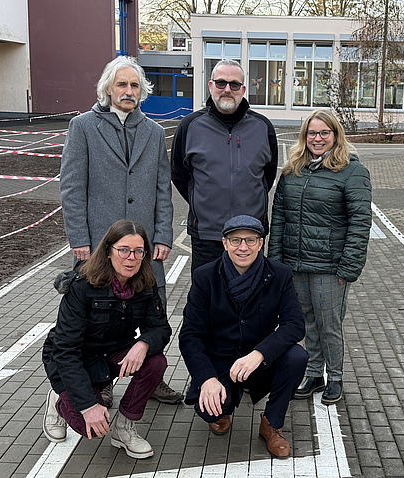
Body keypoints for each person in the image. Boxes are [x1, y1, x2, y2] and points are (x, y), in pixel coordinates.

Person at [60, 55, 181, 405]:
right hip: (100, 245)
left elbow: (162, 189)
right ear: (108, 89)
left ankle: (152, 378)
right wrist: (79, 240)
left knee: (154, 310)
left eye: (134, 85)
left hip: (144, 247)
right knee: (99, 318)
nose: (129, 91)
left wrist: (163, 235)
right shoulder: (83, 127)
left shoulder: (154, 132)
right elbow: (72, 188)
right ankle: (102, 379)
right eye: (122, 84)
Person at [267, 109, 372, 406]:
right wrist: (276, 261)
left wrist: (348, 267)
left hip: (330, 266)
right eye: (312, 133)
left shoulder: (352, 172)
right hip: (296, 263)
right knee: (306, 322)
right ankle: (314, 374)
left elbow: (360, 223)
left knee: (329, 325)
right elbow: (280, 218)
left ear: (336, 136)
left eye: (324, 132)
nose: (317, 138)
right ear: (304, 136)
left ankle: (335, 377)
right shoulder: (292, 171)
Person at [179, 215, 307, 458]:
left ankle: (271, 423)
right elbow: (190, 335)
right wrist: (206, 378)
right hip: (220, 361)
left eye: (250, 240)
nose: (243, 247)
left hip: (258, 362)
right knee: (210, 412)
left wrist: (260, 353)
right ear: (225, 243)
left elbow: (295, 324)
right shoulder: (205, 276)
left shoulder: (280, 274)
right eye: (235, 240)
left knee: (297, 356)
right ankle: (224, 405)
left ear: (261, 243)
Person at [41, 220, 171, 459]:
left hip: (112, 351)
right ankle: (58, 401)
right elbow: (66, 351)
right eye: (124, 250)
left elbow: (160, 328)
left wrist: (144, 343)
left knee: (156, 362)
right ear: (108, 251)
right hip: (76, 358)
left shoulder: (145, 284)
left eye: (138, 251)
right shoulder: (81, 285)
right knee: (88, 427)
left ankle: (124, 427)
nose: (131, 258)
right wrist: (88, 406)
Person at [170, 59, 278, 273]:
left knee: (250, 291)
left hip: (249, 235)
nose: (227, 89)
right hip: (207, 235)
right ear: (211, 86)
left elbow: (268, 176)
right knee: (207, 291)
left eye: (234, 84)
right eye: (221, 83)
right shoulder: (190, 126)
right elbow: (179, 175)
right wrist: (203, 203)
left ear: (243, 90)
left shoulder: (263, 127)